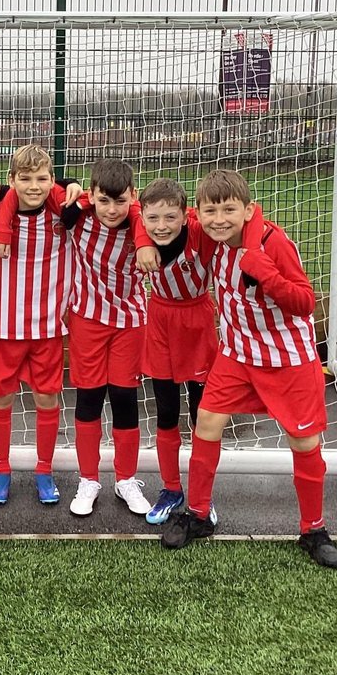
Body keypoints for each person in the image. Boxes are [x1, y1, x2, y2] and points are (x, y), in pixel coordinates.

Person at [159, 169, 337, 569]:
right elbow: (156, 216)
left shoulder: (274, 243)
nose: (219, 219)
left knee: (304, 442)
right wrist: (143, 243)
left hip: (287, 360)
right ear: (199, 214)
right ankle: (199, 514)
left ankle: (314, 529)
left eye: (229, 210)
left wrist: (266, 273)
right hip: (237, 354)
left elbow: (305, 303)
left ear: (248, 210)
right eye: (211, 211)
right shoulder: (210, 237)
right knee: (207, 423)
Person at [0, 144, 80, 505]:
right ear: (11, 180)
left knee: (47, 399)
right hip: (5, 330)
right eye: (25, 179)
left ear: (53, 180)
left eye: (42, 178)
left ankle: (44, 470)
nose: (34, 186)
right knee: (1, 399)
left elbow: (102, 201)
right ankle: (1, 470)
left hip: (48, 330)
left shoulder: (64, 214)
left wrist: (72, 185)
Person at [61, 158, 155, 518]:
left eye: (120, 201)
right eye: (104, 201)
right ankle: (88, 479)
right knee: (89, 398)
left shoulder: (143, 224)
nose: (112, 210)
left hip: (129, 323)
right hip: (87, 319)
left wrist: (144, 238)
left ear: (133, 196)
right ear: (91, 195)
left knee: (124, 399)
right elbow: (46, 188)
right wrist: (72, 187)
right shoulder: (79, 217)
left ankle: (126, 479)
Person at [132, 178, 221, 526]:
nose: (161, 226)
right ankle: (171, 489)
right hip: (160, 323)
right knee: (166, 412)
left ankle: (201, 495)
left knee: (203, 417)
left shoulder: (200, 232)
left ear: (186, 216)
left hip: (197, 324)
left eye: (171, 217)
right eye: (153, 219)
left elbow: (239, 218)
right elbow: (130, 211)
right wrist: (142, 240)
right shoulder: (141, 229)